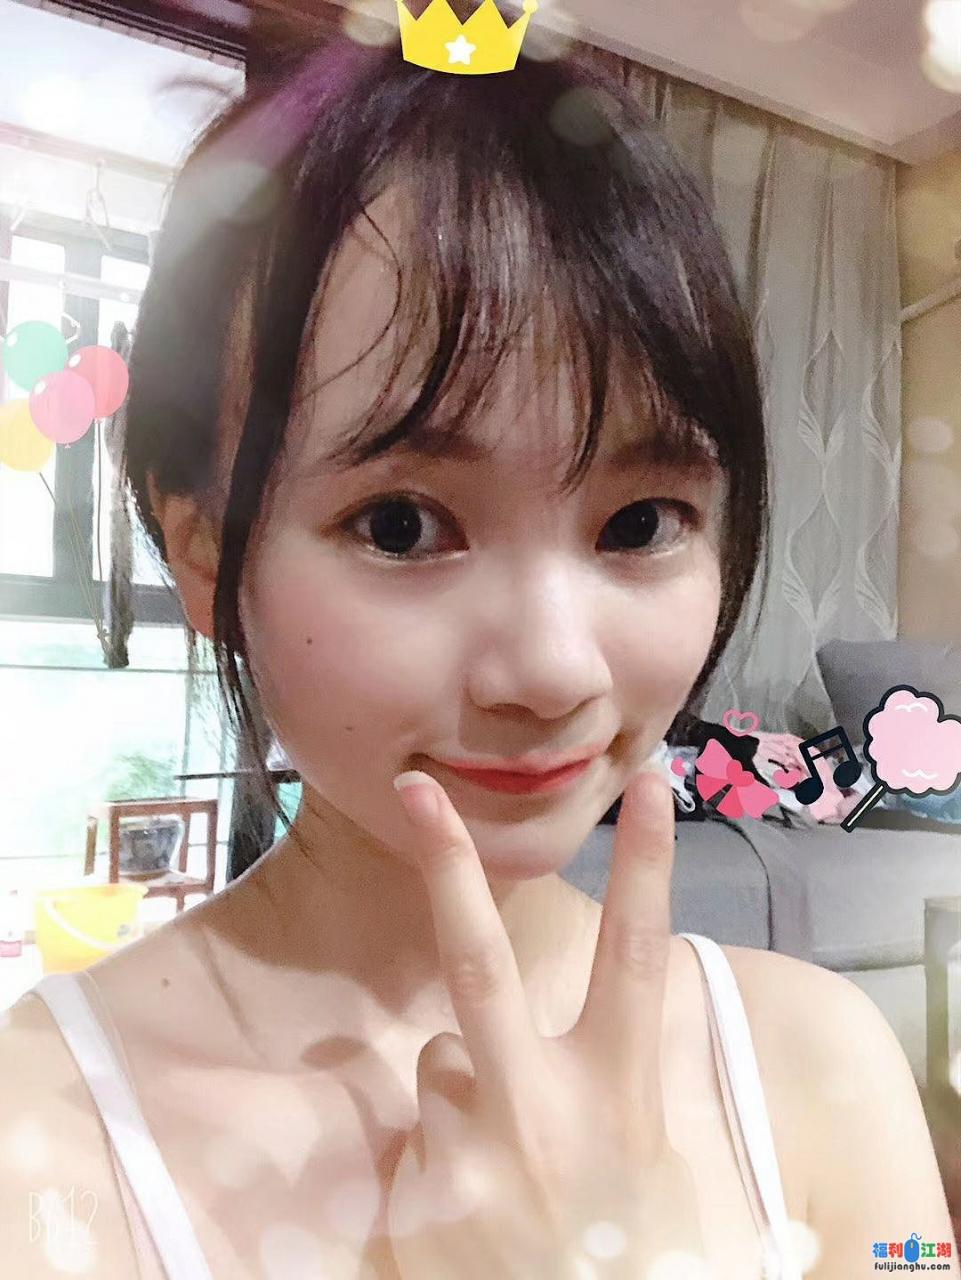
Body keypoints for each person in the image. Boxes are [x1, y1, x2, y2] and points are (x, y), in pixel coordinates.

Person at [1, 28, 956, 1280]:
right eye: (401, 525)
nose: (555, 671)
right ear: (203, 549)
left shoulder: (831, 1064)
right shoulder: (37, 1149)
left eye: (639, 523)